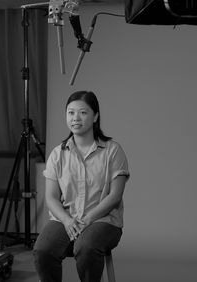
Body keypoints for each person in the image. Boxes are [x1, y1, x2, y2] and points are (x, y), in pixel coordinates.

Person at [33, 91, 129, 282]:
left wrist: (87, 219)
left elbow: (115, 196)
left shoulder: (113, 151)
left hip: (103, 221)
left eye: (83, 113)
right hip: (66, 220)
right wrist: (68, 221)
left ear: (95, 116)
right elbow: (51, 198)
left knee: (85, 247)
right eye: (70, 113)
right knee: (43, 251)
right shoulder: (57, 154)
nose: (75, 118)